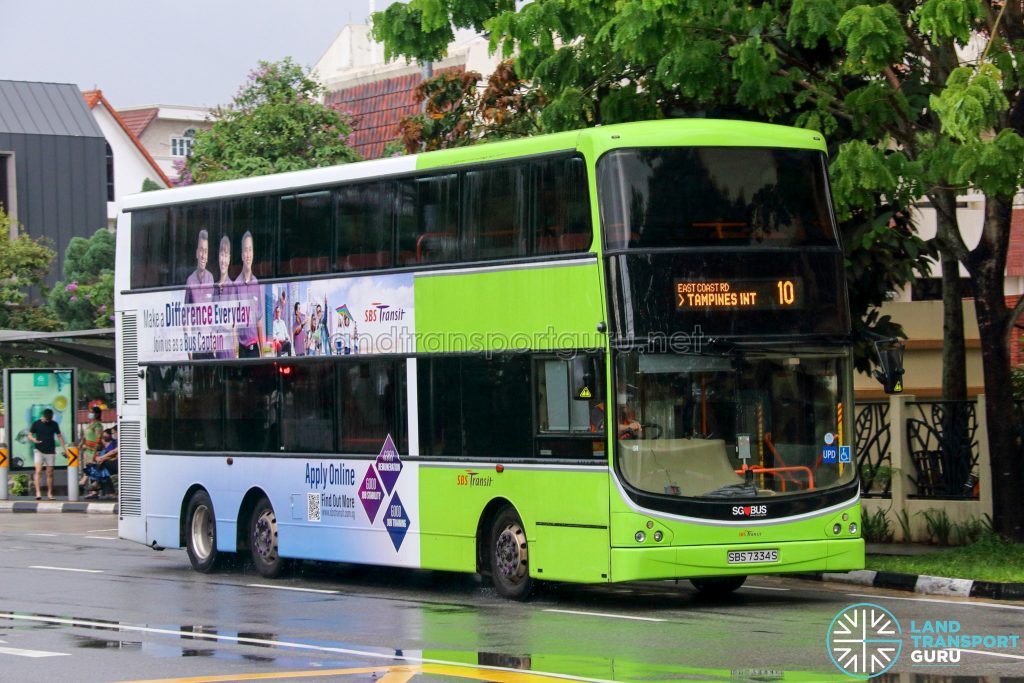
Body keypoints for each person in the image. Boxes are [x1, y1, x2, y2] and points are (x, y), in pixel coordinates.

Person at [234, 231, 265, 358]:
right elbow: (233, 323)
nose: (248, 255)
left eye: (250, 250)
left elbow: (259, 322)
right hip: (241, 350)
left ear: (253, 254)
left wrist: (262, 353)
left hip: (254, 349)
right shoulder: (235, 284)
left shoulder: (256, 283)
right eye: (245, 250)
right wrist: (235, 351)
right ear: (242, 255)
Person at [28, 408, 67, 500]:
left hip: (50, 451)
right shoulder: (36, 423)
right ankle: (38, 493)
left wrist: (64, 449)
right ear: (44, 416)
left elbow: (59, 436)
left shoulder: (54, 424)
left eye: (49, 418)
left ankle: (50, 493)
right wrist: (34, 440)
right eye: (46, 418)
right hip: (38, 450)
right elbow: (29, 435)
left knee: (50, 473)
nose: (47, 420)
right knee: (38, 470)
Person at [214, 234, 236, 359]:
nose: (223, 260)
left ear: (229, 258)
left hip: (228, 348)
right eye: (221, 255)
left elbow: (231, 323)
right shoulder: (214, 287)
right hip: (217, 348)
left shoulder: (232, 287)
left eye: (226, 255)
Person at [184, 229, 215, 305]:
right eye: (201, 251)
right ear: (197, 253)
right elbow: (186, 311)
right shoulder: (190, 281)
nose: (203, 256)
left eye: (205, 252)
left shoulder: (210, 278)